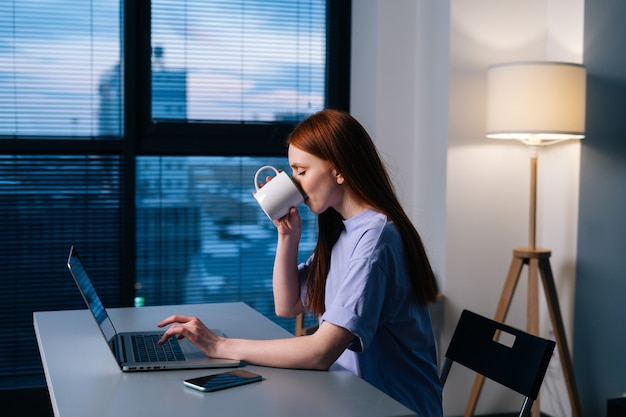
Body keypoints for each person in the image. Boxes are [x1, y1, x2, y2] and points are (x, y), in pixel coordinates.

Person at [158, 109, 443, 416]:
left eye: (301, 172)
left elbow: (321, 351)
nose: (295, 185)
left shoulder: (375, 238)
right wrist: (287, 237)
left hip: (393, 406)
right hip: (349, 395)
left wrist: (219, 346)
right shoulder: (345, 230)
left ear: (339, 170)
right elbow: (287, 304)